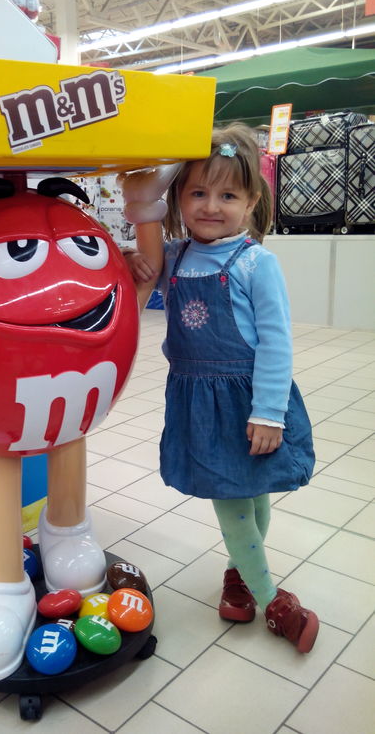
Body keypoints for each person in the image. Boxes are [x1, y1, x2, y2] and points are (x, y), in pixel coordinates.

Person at [119, 123, 319, 652]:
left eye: (228, 195)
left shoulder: (257, 263)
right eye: (198, 193)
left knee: (254, 494)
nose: (211, 206)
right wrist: (131, 263)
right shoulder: (176, 257)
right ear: (179, 199)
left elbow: (276, 343)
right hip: (199, 406)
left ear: (252, 201)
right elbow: (142, 281)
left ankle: (240, 576)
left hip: (250, 402)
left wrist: (269, 413)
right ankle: (273, 598)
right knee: (232, 503)